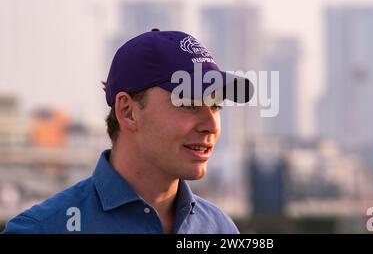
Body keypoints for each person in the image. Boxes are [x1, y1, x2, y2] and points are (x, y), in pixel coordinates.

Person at [3, 28, 253, 233]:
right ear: (128, 111)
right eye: (189, 103)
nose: (211, 125)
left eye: (216, 105)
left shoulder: (220, 228)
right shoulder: (42, 230)